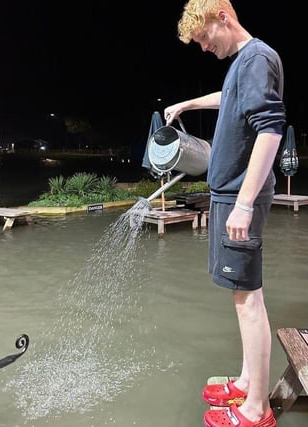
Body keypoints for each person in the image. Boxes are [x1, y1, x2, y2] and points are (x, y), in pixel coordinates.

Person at [164, 1, 285, 426]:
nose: (203, 48)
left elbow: (271, 129)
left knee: (247, 299)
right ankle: (248, 381)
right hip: (230, 195)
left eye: (202, 39)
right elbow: (230, 98)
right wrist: (188, 104)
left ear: (222, 18)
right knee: (244, 294)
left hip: (239, 197)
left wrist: (245, 204)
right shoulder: (242, 64)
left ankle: (257, 410)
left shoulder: (256, 57)